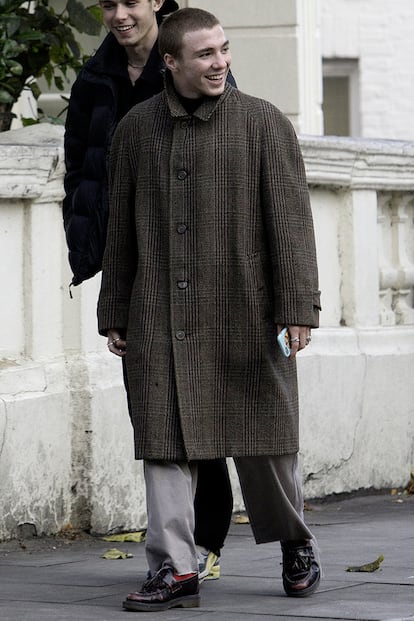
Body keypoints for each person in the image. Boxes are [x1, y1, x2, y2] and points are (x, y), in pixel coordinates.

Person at [97, 6, 322, 613]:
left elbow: (293, 227)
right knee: (164, 442)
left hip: (247, 310)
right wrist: (114, 307)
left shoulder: (263, 124)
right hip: (157, 313)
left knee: (268, 441)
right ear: (170, 62)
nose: (220, 61)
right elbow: (119, 230)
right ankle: (175, 570)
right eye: (205, 54)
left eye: (223, 49)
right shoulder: (136, 130)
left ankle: (295, 543)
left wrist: (297, 307)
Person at [62, 0, 234, 581]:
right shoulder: (95, 76)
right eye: (107, 3)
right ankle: (179, 549)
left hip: (195, 256)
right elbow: (79, 166)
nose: (117, 14)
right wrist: (87, 241)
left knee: (199, 402)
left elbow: (227, 152)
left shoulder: (196, 56)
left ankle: (208, 539)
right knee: (159, 403)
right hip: (132, 259)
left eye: (128, 1)